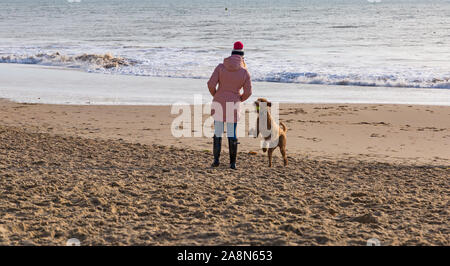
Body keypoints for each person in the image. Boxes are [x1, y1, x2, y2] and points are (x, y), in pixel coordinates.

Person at [207, 41, 252, 169]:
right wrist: (239, 99)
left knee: (218, 132)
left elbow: (210, 84)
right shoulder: (244, 72)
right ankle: (232, 163)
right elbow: (248, 92)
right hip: (234, 104)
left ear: (231, 54)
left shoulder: (220, 67)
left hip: (219, 102)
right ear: (242, 57)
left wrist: (216, 95)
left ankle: (216, 161)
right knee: (232, 133)